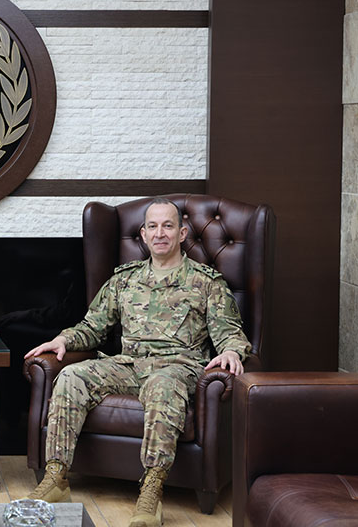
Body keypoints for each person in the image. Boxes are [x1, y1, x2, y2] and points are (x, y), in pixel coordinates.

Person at [23, 198, 250, 527]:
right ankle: (56, 478)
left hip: (178, 368)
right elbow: (93, 327)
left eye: (168, 226)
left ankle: (152, 490)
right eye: (153, 226)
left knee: (162, 384)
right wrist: (64, 340)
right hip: (129, 365)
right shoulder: (124, 280)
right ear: (143, 235)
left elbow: (230, 333)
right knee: (72, 376)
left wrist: (231, 351)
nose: (160, 233)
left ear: (182, 233)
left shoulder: (206, 283)